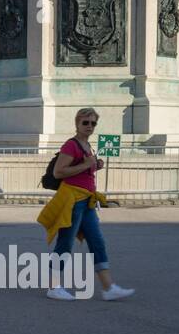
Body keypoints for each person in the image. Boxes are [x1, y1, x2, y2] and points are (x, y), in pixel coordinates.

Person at [37, 107, 134, 301]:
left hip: (86, 201)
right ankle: (53, 287)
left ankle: (108, 288)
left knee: (97, 243)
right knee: (64, 243)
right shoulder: (71, 145)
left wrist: (93, 166)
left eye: (93, 123)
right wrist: (86, 165)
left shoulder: (87, 145)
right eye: (85, 122)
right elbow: (59, 172)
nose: (89, 126)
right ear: (77, 123)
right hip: (73, 201)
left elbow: (82, 170)